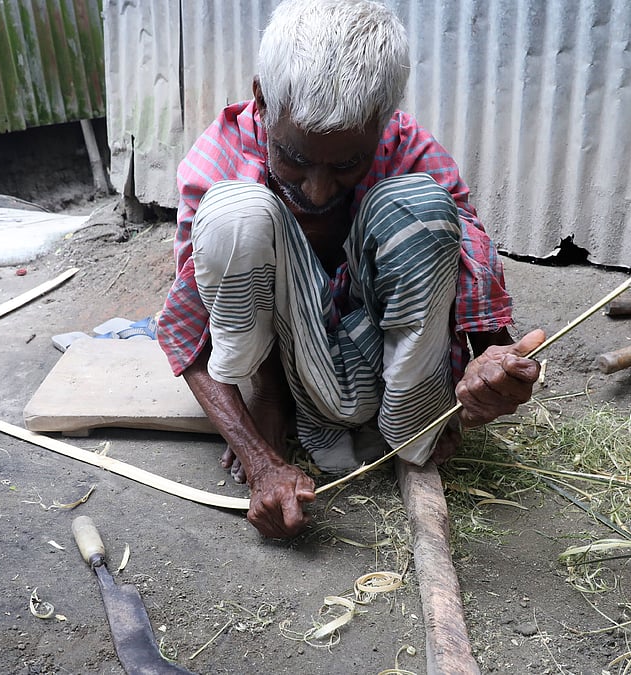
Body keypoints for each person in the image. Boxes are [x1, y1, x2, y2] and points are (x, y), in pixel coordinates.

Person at [157, 0, 544, 539]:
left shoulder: (407, 149)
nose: (316, 190)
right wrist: (260, 455)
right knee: (235, 214)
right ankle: (270, 394)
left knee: (425, 207)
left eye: (346, 165)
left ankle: (415, 422)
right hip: (293, 371)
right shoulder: (219, 157)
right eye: (294, 157)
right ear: (263, 102)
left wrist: (493, 364)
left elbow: (472, 268)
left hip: (386, 367)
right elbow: (186, 329)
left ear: (381, 121)